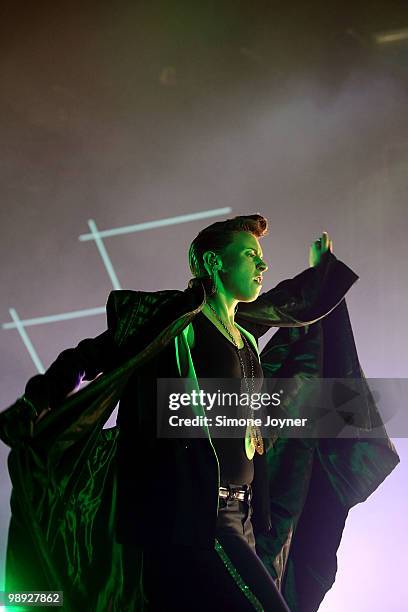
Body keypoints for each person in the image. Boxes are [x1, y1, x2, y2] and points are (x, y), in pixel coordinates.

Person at [0, 214, 399, 612]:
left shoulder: (242, 332)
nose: (262, 265)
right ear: (214, 262)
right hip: (201, 521)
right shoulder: (180, 321)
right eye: (249, 255)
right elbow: (89, 355)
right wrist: (37, 401)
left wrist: (321, 271)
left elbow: (289, 306)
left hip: (241, 519)